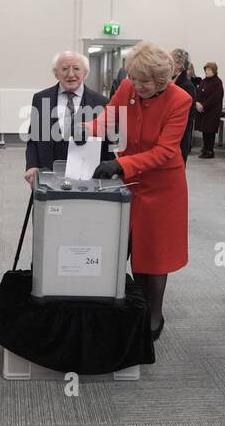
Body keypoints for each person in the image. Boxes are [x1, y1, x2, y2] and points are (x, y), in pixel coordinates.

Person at [90, 42, 191, 341]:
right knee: (122, 244)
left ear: (163, 80)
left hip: (162, 185)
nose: (137, 86)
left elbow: (165, 151)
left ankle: (153, 315)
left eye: (144, 82)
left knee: (154, 254)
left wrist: (121, 165)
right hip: (129, 180)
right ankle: (121, 307)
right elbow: (106, 120)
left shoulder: (180, 100)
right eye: (133, 78)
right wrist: (83, 127)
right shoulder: (128, 87)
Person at [24, 51, 110, 186]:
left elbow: (107, 145)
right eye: (64, 69)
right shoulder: (41, 98)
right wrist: (31, 165)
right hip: (47, 174)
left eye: (76, 69)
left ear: (85, 73)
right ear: (55, 73)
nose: (70, 74)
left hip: (87, 177)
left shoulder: (101, 102)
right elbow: (33, 138)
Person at [170, 48, 198, 164]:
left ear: (180, 65)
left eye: (172, 61)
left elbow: (189, 114)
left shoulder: (187, 86)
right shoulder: (170, 80)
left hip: (179, 134)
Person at [195, 62, 225, 158]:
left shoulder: (217, 82)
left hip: (212, 111)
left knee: (210, 131)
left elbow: (215, 98)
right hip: (203, 111)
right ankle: (205, 148)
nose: (206, 72)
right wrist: (197, 103)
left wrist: (203, 105)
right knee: (204, 130)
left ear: (214, 71)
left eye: (209, 70)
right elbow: (198, 92)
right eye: (206, 70)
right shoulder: (204, 81)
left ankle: (210, 151)